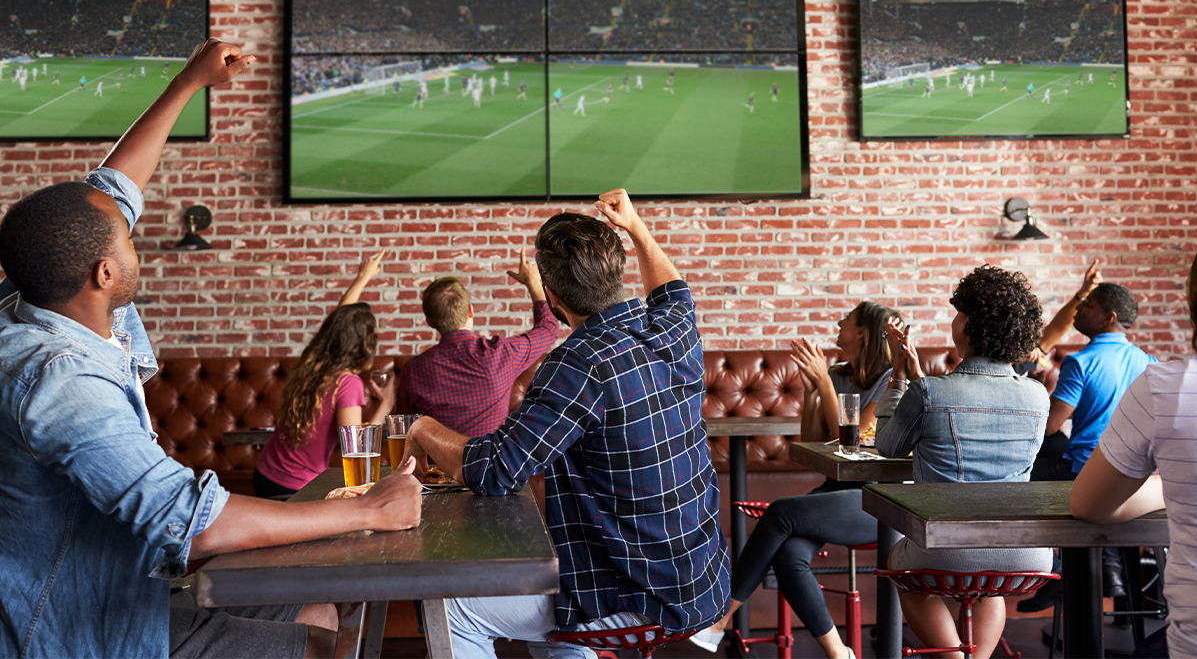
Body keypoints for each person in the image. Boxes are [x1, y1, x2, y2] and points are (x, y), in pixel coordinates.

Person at [0, 40, 422, 659]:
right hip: (83, 625)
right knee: (319, 645)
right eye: (127, 240)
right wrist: (373, 512)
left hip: (134, 584)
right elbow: (191, 524)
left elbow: (113, 188)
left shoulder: (35, 291)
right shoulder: (62, 383)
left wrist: (188, 83)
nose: (132, 233)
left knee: (319, 606)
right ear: (103, 275)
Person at [404, 189, 729, 658]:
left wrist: (422, 429)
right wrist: (636, 227)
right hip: (702, 582)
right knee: (554, 613)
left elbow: (495, 470)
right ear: (617, 271)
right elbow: (673, 289)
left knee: (451, 605)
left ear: (552, 299)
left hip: (642, 598)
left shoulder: (577, 363)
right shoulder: (673, 328)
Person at [693, 302, 902, 658]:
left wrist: (823, 381)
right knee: (789, 554)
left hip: (876, 500)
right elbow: (814, 442)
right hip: (836, 492)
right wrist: (812, 391)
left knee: (781, 513)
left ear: (862, 332)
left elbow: (850, 441)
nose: (838, 321)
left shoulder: (891, 381)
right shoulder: (839, 372)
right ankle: (840, 653)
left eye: (846, 320)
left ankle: (721, 617)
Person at [875, 265, 1051, 659]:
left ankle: (953, 657)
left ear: (968, 325)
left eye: (958, 313)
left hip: (945, 549)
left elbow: (887, 447)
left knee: (905, 572)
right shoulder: (1039, 395)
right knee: (991, 583)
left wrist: (900, 379)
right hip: (1026, 554)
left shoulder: (928, 392)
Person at [1070, 244, 1197, 659]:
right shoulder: (1145, 360)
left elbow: (1088, 504)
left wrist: (1170, 483)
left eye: (1086, 303)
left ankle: (1066, 578)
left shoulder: (1166, 386)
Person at [1019, 279, 1156, 610]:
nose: (1079, 309)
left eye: (1088, 305)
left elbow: (1050, 425)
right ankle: (1114, 578)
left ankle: (1059, 571)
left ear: (1107, 317)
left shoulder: (1081, 361)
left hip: (1083, 472)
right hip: (1137, 476)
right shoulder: (1148, 362)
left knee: (1017, 479)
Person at [253, 252, 397, 498]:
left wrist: (362, 279)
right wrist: (386, 404)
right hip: (295, 488)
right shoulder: (347, 383)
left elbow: (338, 322)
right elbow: (355, 447)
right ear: (365, 344)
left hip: (265, 475)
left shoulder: (313, 364)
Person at [396, 250, 559, 439]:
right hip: (488, 465)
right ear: (471, 311)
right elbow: (549, 328)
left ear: (430, 322)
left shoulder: (413, 371)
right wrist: (533, 283)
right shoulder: (502, 353)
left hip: (436, 467)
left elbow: (405, 433)